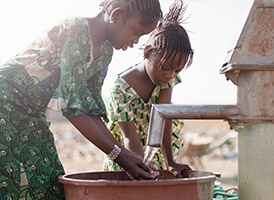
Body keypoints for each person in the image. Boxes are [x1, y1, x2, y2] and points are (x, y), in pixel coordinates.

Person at [0, 0, 162, 199]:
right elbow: (72, 109)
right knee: (12, 178)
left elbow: (88, 110)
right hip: (4, 101)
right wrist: (119, 155)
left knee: (48, 180)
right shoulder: (77, 30)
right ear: (116, 15)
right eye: (136, 32)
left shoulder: (105, 53)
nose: (136, 41)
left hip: (31, 114)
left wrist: (123, 153)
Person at [104, 0, 194, 177]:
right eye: (166, 67)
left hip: (155, 158)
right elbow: (129, 137)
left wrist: (170, 162)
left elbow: (164, 118)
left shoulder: (165, 80)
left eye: (177, 71)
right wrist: (140, 170)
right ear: (147, 53)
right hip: (128, 160)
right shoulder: (120, 89)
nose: (170, 75)